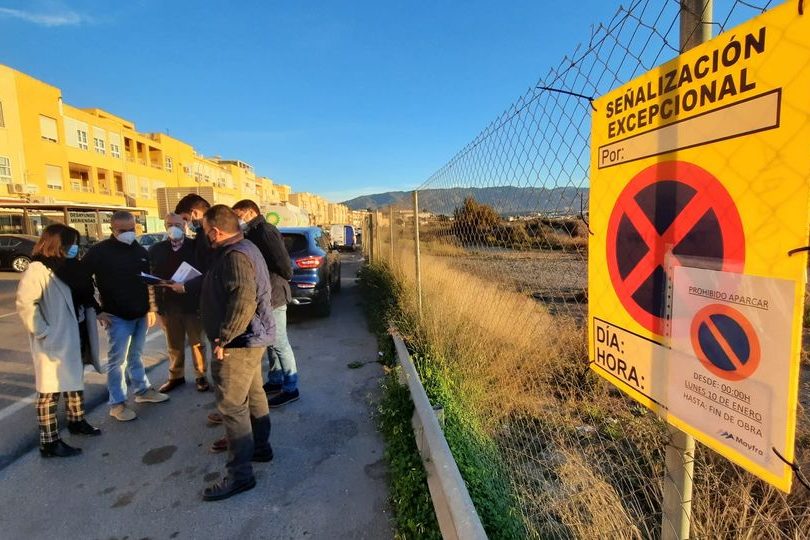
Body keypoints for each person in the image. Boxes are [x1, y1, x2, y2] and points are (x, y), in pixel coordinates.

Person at [200, 204, 275, 501]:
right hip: (250, 339)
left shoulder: (236, 256)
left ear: (216, 231)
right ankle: (260, 448)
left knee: (232, 407)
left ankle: (240, 475)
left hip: (239, 342)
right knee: (255, 394)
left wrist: (224, 338)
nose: (204, 236)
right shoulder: (244, 248)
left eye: (205, 231)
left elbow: (242, 300)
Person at [16, 224, 101, 457]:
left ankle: (77, 420)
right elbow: (26, 304)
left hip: (76, 330)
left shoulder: (71, 266)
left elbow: (86, 293)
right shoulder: (39, 269)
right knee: (49, 390)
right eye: (71, 243)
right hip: (55, 337)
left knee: (74, 378)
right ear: (58, 244)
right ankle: (49, 441)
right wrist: (43, 332)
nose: (75, 247)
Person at [82, 211, 169, 421]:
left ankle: (142, 391)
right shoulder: (99, 251)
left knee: (136, 355)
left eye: (132, 229)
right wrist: (97, 309)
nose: (129, 234)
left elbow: (145, 279)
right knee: (117, 362)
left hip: (140, 314)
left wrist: (150, 308)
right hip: (117, 316)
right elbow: (82, 281)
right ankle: (117, 403)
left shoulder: (139, 250)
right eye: (123, 230)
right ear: (112, 229)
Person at [232, 199, 299, 407]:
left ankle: (291, 387)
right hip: (265, 295)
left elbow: (283, 263)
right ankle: (276, 379)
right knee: (271, 342)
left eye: (238, 215)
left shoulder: (265, 232)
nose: (237, 220)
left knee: (280, 343)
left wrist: (286, 277)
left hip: (274, 295)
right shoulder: (252, 233)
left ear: (250, 212)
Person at [149, 213, 209, 393]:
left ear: (185, 225)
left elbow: (205, 275)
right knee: (173, 344)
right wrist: (154, 307)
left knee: (197, 343)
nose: (173, 227)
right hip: (168, 305)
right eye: (169, 224)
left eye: (177, 224)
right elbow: (151, 278)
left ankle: (201, 376)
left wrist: (186, 286)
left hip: (193, 304)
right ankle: (176, 376)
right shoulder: (157, 249)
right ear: (165, 225)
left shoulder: (197, 247)